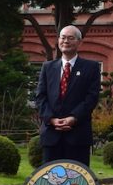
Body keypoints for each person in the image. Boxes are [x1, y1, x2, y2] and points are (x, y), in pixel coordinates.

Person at [35, 25, 101, 167]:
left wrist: (73, 118)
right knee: (51, 183)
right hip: (51, 135)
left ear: (79, 42)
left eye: (71, 38)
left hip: (78, 135)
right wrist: (51, 119)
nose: (66, 41)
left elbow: (92, 98)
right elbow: (40, 97)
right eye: (63, 37)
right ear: (58, 41)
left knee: (76, 183)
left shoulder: (92, 67)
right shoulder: (48, 67)